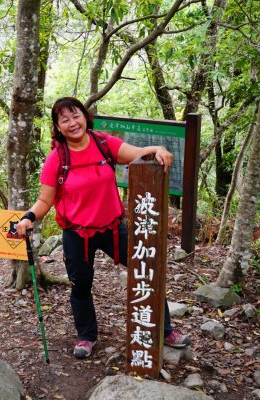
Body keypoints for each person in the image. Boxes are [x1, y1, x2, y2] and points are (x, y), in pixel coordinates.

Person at [16, 97, 190, 359]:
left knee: (147, 270)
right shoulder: (56, 159)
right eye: (64, 119)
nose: (72, 123)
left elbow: (136, 153)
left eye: (76, 116)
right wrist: (29, 217)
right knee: (81, 285)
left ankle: (164, 330)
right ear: (58, 127)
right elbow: (45, 200)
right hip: (77, 234)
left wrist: (157, 148)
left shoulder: (103, 143)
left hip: (112, 228)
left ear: (85, 117)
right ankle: (87, 336)